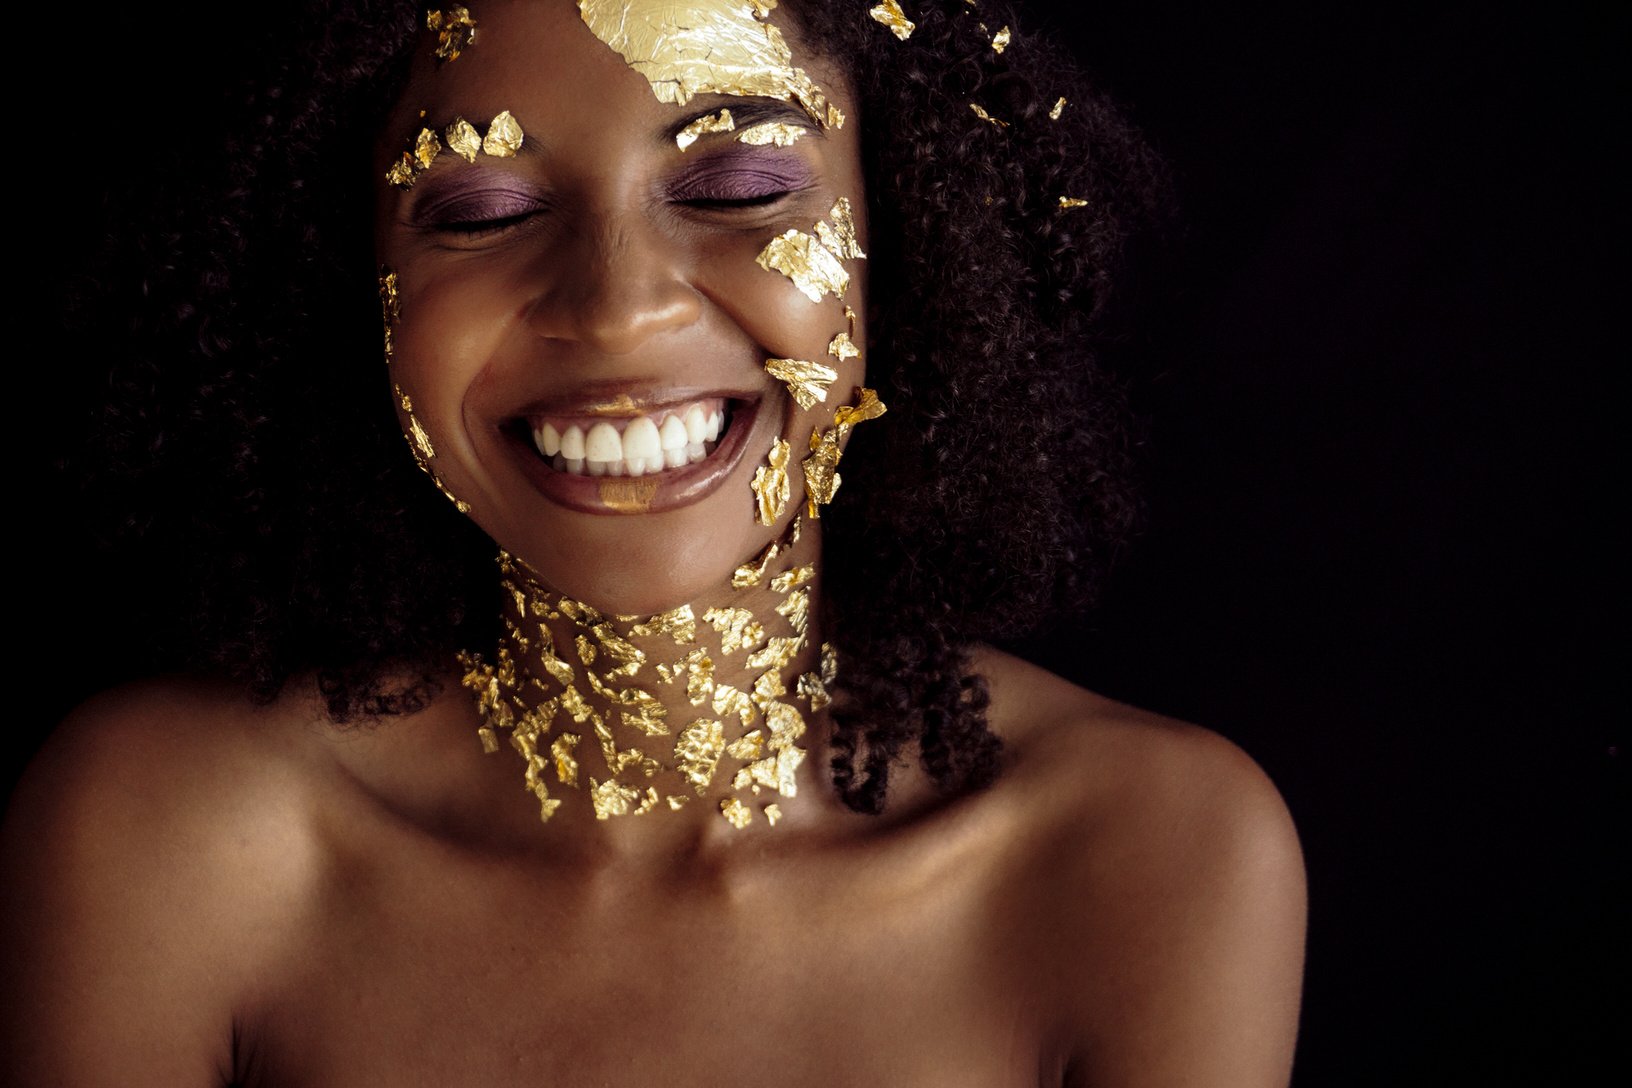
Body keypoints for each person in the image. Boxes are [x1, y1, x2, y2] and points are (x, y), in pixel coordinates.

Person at [2, 0, 1305, 1083]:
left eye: (736, 183)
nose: (618, 306)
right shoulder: (178, 843)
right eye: (482, 211)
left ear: (904, 240)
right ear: (345, 279)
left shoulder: (1146, 860)